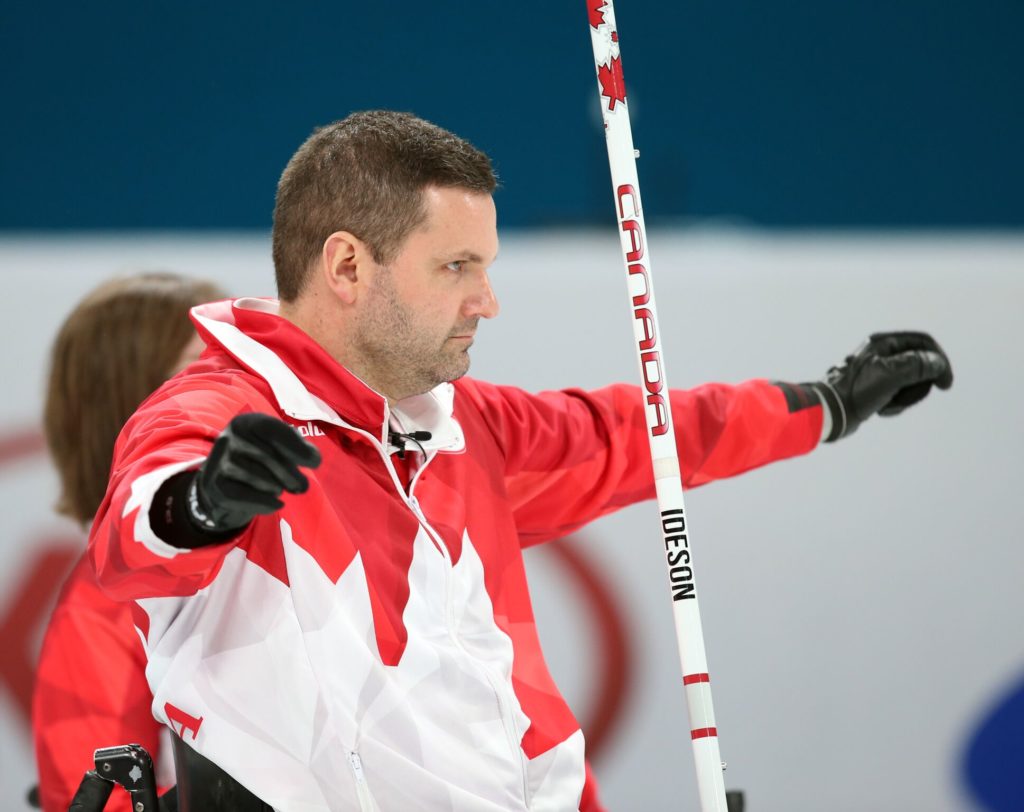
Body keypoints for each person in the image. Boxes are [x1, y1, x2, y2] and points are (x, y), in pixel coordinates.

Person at [86, 111, 952, 812]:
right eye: (456, 266)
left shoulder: (463, 428)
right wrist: (202, 506)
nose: (486, 301)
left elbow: (641, 433)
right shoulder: (223, 410)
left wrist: (826, 405)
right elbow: (133, 542)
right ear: (347, 265)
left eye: (486, 266)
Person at [33, 272, 225, 812]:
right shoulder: (102, 605)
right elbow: (100, 800)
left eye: (241, 361)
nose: (241, 388)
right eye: (202, 371)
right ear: (129, 402)